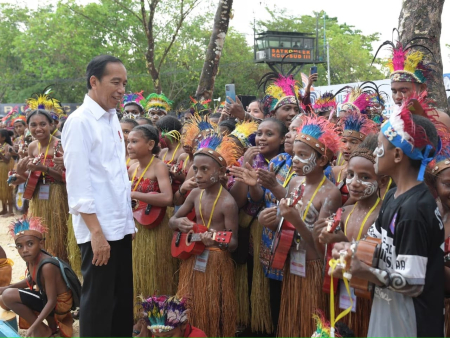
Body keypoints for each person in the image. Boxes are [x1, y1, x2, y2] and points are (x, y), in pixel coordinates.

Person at [331, 102, 444, 337]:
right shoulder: (394, 195)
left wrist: (364, 271)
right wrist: (349, 248)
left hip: (413, 318)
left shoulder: (415, 209)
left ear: (398, 154)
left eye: (380, 147)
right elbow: (376, 242)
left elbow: (412, 283)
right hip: (391, 306)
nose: (374, 153)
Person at [62, 55, 134, 337]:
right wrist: (96, 232)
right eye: (115, 82)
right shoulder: (80, 122)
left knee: (121, 300)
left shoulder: (113, 118)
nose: (121, 90)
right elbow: (79, 185)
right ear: (94, 81)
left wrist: (127, 222)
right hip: (99, 230)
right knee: (98, 302)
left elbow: (114, 176)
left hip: (119, 226)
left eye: (124, 83)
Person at [277, 114, 342, 337]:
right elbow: (285, 221)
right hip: (292, 262)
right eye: (294, 154)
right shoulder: (295, 182)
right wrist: (274, 218)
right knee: (292, 322)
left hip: (313, 266)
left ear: (322, 160)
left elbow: (321, 248)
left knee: (310, 322)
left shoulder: (330, 194)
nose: (294, 160)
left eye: (303, 155)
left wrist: (296, 220)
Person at [169, 133, 240, 337]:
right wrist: (178, 223)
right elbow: (172, 221)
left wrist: (220, 242)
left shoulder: (227, 203)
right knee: (190, 302)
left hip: (216, 259)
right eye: (195, 169)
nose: (197, 175)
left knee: (212, 306)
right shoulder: (194, 194)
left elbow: (233, 241)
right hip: (193, 255)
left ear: (220, 172)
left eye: (204, 170)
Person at [315, 135, 386, 337]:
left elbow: (376, 260)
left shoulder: (383, 216)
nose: (354, 183)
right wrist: (319, 236)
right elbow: (325, 256)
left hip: (368, 296)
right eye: (351, 174)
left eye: (365, 177)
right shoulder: (343, 213)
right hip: (340, 292)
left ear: (381, 180)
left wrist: (340, 241)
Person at [228, 118, 286, 334]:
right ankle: (251, 323)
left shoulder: (289, 163)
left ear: (281, 139)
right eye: (259, 133)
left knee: (270, 286)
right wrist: (245, 168)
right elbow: (238, 201)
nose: (261, 138)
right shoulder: (249, 159)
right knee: (249, 276)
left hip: (274, 231)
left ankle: (269, 327)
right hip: (249, 230)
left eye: (269, 134)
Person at [0, 217, 74, 337]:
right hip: (47, 298)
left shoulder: (47, 266)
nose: (25, 250)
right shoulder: (32, 257)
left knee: (8, 296)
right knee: (3, 299)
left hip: (59, 304)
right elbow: (32, 279)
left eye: (30, 244)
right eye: (19, 246)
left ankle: (44, 330)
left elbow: (52, 301)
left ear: (41, 243)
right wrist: (6, 287)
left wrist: (34, 326)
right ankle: (50, 326)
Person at [127, 124, 177, 300]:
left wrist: (134, 193)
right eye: (128, 141)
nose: (129, 145)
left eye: (134, 141)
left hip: (156, 227)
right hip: (135, 226)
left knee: (155, 270)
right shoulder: (132, 168)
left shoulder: (159, 166)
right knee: (138, 269)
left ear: (150, 144)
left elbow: (167, 198)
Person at [13, 110, 68, 261]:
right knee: (40, 235)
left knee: (59, 237)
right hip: (38, 197)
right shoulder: (32, 146)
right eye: (33, 125)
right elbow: (30, 176)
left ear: (51, 125)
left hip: (58, 195)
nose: (38, 128)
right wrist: (20, 171)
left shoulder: (60, 145)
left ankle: (61, 271)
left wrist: (44, 168)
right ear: (28, 127)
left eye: (43, 124)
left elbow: (67, 178)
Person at [373, 39, 450, 128]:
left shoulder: (441, 120)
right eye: (394, 91)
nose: (398, 97)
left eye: (404, 91)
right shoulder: (390, 124)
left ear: (421, 88)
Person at [332, 111, 378, 206]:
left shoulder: (372, 173)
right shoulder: (334, 172)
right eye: (344, 141)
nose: (347, 146)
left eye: (353, 142)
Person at [133, 295, 206, 338]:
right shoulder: (157, 333)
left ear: (184, 324)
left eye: (168, 336)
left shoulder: (198, 336)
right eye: (157, 337)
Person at [0, 129, 14, 216]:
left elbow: (7, 160)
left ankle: (10, 211)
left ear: (3, 138)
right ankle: (4, 209)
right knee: (1, 189)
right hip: (1, 169)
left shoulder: (8, 147)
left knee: (7, 189)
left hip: (5, 169)